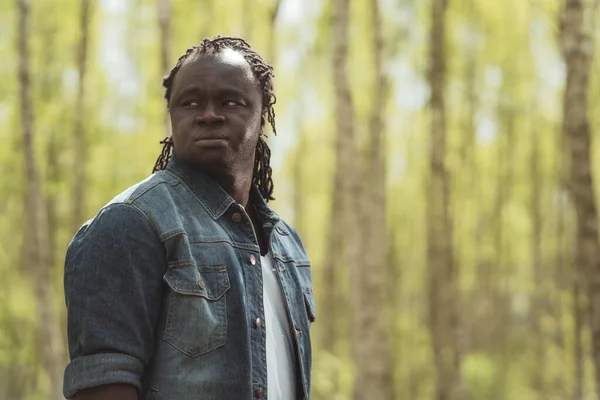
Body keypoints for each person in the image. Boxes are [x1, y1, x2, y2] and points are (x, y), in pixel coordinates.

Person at [63, 36, 316, 400]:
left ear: (263, 115)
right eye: (190, 102)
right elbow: (102, 386)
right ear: (172, 115)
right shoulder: (131, 224)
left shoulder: (287, 244)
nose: (208, 114)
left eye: (230, 101)